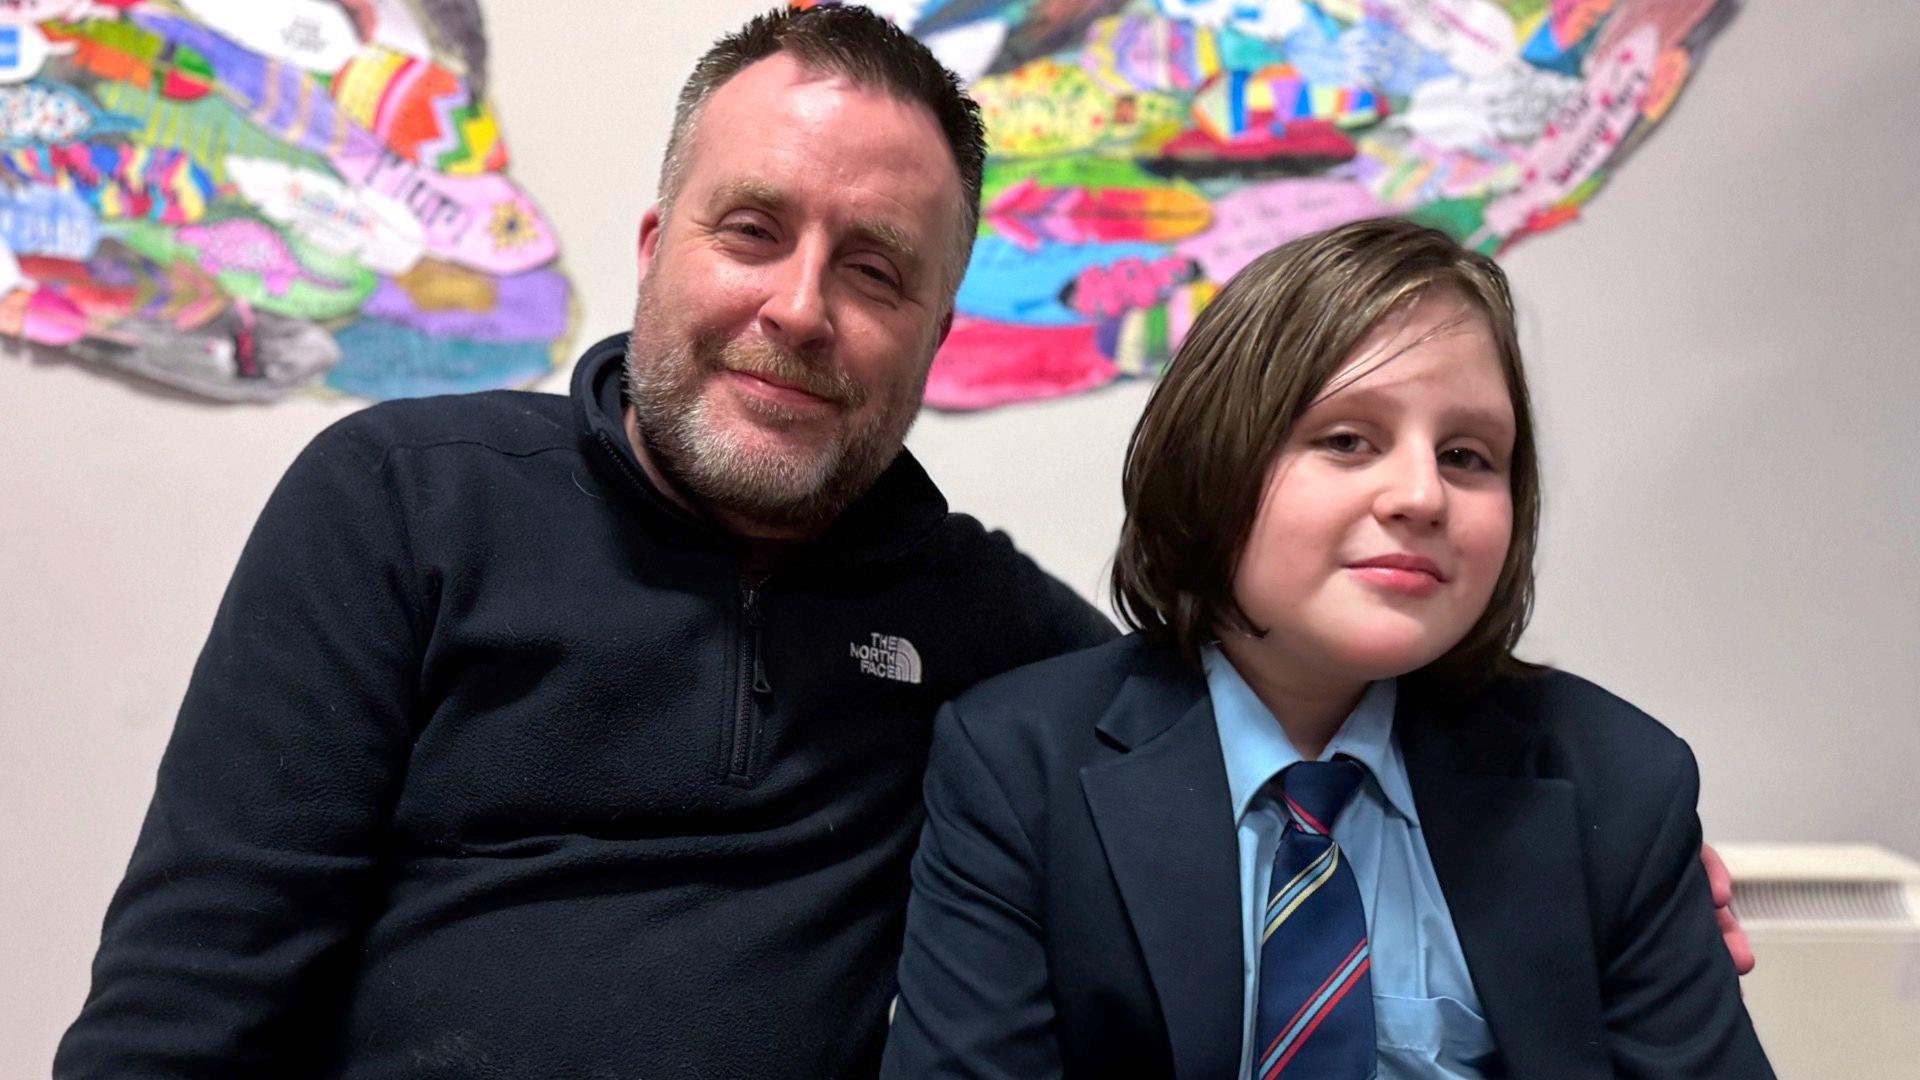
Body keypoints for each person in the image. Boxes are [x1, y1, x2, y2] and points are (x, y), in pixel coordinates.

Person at [54, 8, 1114, 1078]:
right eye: (752, 230)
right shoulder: (402, 502)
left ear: (933, 337)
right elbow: (186, 1006)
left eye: (875, 271)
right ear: (656, 250)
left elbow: (1220, 706)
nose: (799, 309)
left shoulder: (981, 619)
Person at [879, 218, 1774, 1078]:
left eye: (1468, 456)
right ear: (1213, 464)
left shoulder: (1618, 781)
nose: (1422, 495)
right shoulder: (1019, 767)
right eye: (1348, 441)